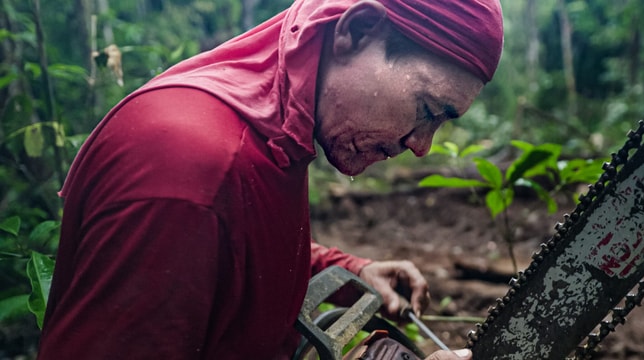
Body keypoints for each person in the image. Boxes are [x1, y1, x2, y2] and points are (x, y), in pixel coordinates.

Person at [37, 0, 503, 359]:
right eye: (426, 109)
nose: (422, 145)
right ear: (357, 30)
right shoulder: (187, 165)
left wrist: (346, 272)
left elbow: (232, 246)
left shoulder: (266, 130)